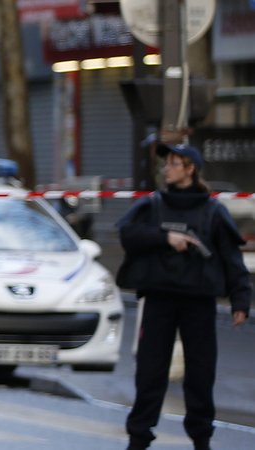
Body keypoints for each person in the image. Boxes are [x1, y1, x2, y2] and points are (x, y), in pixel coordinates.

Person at [116, 140, 250, 450]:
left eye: (174, 163)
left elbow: (231, 258)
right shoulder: (152, 204)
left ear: (190, 169)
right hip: (160, 299)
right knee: (150, 374)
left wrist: (240, 299)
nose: (166, 169)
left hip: (198, 303)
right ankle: (138, 440)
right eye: (165, 163)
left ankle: (201, 440)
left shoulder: (212, 210)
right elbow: (127, 233)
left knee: (200, 375)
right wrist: (165, 237)